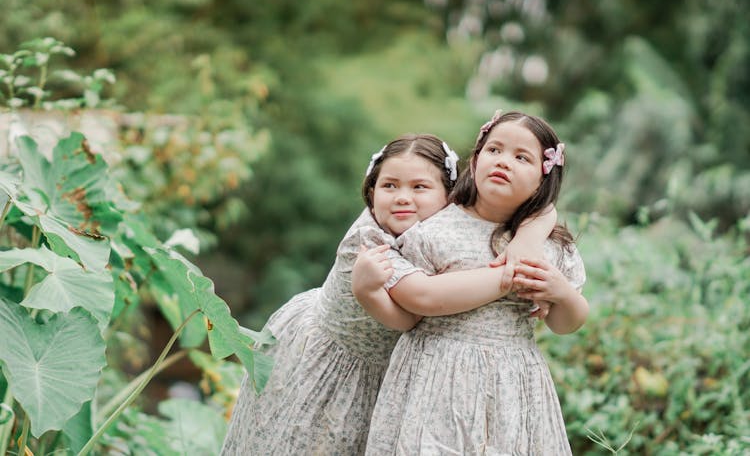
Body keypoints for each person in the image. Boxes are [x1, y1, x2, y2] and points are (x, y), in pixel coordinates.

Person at [220, 133, 555, 455]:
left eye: (420, 187)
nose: (402, 198)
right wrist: (515, 272)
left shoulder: (441, 232)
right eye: (389, 186)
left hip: (392, 372)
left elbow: (544, 208)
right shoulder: (368, 241)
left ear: (451, 197)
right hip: (329, 361)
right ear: (371, 191)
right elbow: (413, 314)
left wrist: (531, 233)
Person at [356, 110, 589, 456]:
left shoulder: (549, 247)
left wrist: (562, 293)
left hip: (512, 382)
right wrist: (507, 276)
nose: (503, 162)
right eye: (494, 150)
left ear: (543, 179)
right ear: (476, 160)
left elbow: (565, 322)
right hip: (435, 374)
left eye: (521, 157)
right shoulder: (435, 229)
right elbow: (418, 302)